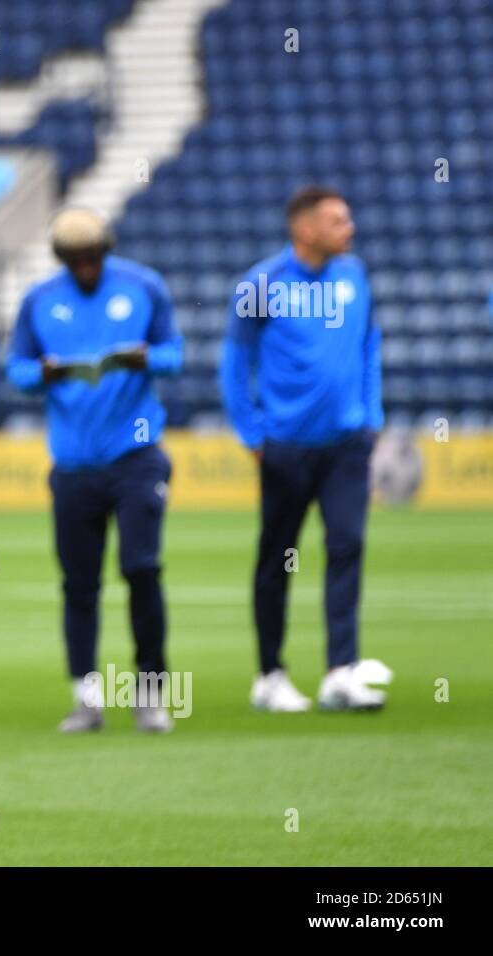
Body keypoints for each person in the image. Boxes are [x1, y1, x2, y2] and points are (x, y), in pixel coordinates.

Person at [6, 207, 183, 733]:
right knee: (79, 584)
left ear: (105, 251)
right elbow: (16, 370)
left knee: (141, 568)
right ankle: (87, 697)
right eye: (75, 259)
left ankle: (150, 693)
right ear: (62, 259)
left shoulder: (144, 286)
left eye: (93, 256)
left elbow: (175, 354)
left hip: (136, 454)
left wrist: (144, 359)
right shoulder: (39, 301)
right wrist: (44, 372)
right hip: (74, 463)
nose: (86, 266)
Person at [220, 185, 389, 712]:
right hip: (286, 447)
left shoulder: (354, 275)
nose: (350, 227)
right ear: (305, 228)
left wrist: (371, 417)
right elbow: (233, 360)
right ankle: (270, 675)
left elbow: (369, 345)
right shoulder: (261, 283)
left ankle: (341, 670)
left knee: (346, 548)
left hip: (346, 445)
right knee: (277, 559)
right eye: (338, 220)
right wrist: (252, 434)